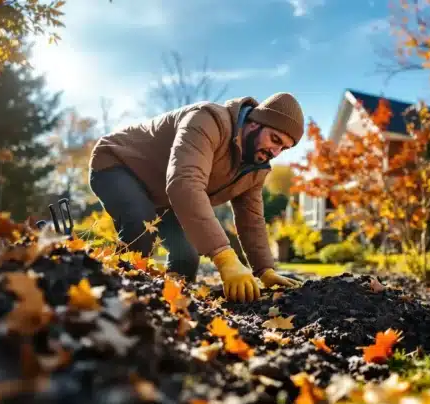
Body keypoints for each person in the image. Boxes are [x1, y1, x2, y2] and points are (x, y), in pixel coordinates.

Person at [87, 92, 304, 302]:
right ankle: (110, 300)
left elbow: (251, 219)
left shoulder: (255, 168)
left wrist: (265, 269)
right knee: (140, 229)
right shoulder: (208, 120)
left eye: (283, 148)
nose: (275, 152)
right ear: (254, 123)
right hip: (118, 163)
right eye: (274, 139)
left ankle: (170, 310)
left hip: (161, 193)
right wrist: (224, 255)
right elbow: (185, 183)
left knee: (187, 256)